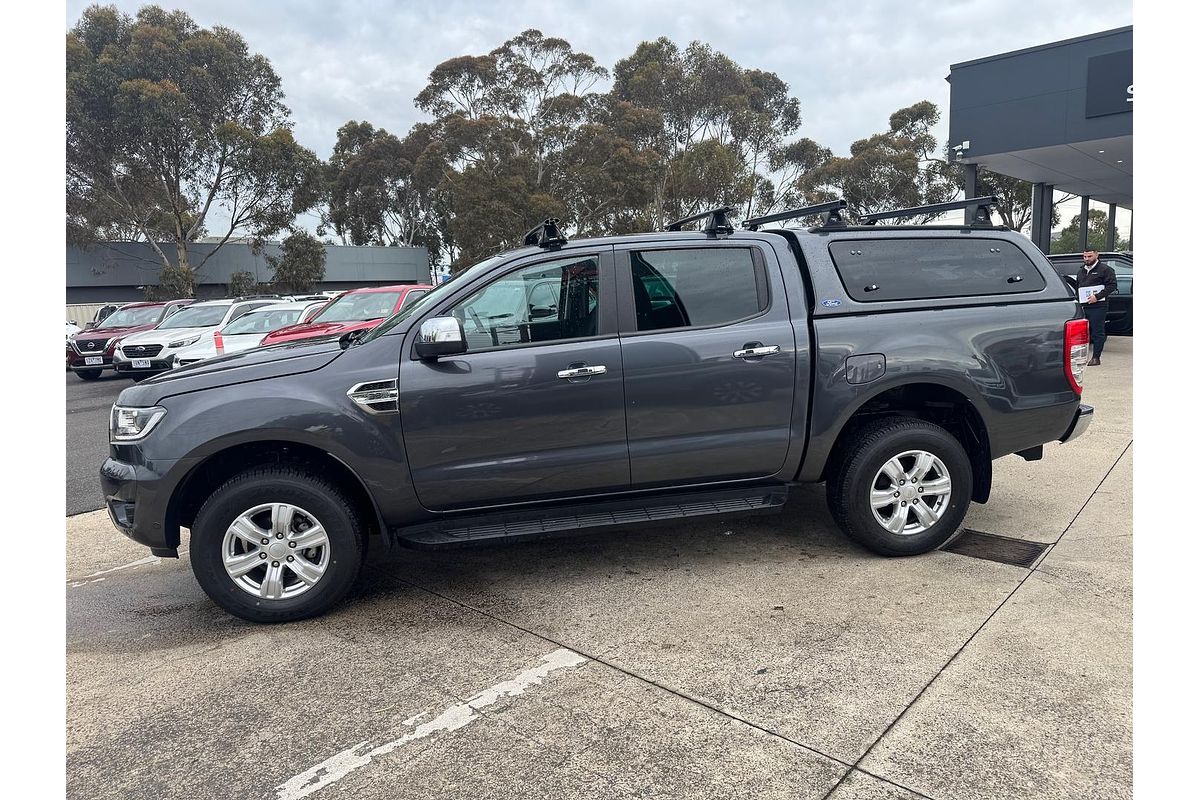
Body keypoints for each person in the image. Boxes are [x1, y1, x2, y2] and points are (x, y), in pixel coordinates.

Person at [1076, 248, 1118, 366]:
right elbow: (1077, 287)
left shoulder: (1105, 270)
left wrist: (1097, 296)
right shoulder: (1081, 271)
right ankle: (1080, 357)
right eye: (1085, 257)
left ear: (1096, 255)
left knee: (1097, 332)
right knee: (1082, 332)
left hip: (1098, 306)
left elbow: (1112, 285)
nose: (1087, 259)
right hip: (1083, 305)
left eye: (1089, 256)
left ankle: (1096, 357)